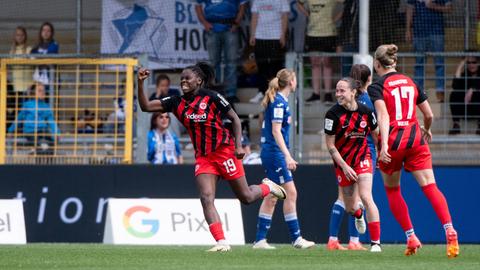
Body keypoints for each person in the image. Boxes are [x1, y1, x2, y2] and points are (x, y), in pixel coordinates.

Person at [137, 62, 287, 252]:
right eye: (181, 78)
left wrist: (239, 145)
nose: (183, 81)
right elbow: (145, 106)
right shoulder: (176, 102)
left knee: (247, 197)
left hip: (224, 152)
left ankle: (268, 187)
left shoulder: (212, 97)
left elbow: (234, 119)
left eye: (187, 78)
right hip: (204, 158)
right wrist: (140, 83)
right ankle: (221, 242)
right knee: (206, 198)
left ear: (198, 80)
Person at [368, 44, 459, 257]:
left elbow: (383, 116)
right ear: (395, 62)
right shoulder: (411, 81)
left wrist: (383, 146)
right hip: (416, 139)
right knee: (430, 187)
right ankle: (450, 230)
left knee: (392, 190)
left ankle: (411, 236)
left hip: (392, 142)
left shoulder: (377, 86)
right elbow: (429, 115)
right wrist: (426, 130)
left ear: (376, 64)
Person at [253, 69, 315, 249]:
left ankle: (259, 240)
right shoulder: (280, 103)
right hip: (275, 154)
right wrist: (287, 155)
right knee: (290, 193)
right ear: (291, 82)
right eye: (295, 79)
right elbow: (275, 130)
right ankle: (296, 238)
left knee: (273, 195)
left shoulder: (280, 101)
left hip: (271, 152)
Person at [324, 77, 382, 252]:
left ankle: (376, 243)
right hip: (343, 163)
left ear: (353, 92)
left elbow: (376, 133)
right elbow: (330, 145)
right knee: (350, 206)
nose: (338, 94)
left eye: (342, 90)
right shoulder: (332, 114)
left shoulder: (366, 111)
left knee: (366, 196)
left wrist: (379, 152)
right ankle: (358, 215)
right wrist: (344, 166)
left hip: (363, 157)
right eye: (337, 91)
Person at [195, 0, 246, 104]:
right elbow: (197, 5)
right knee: (213, 63)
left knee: (231, 62)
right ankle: (215, 92)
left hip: (230, 27)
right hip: (213, 28)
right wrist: (204, 23)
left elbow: (242, 4)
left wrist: (237, 22)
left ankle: (231, 94)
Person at [406, 0, 452, 102]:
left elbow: (449, 8)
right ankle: (419, 91)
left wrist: (433, 6)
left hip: (437, 32)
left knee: (439, 62)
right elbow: (409, 9)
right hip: (419, 32)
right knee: (419, 63)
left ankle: (440, 90)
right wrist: (408, 29)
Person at [297, 0, 343, 103]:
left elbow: (346, 4)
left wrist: (335, 19)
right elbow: (298, 3)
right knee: (315, 64)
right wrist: (307, 14)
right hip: (312, 33)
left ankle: (328, 94)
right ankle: (316, 94)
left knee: (327, 63)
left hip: (329, 33)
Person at [249, 0, 290, 103]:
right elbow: (254, 16)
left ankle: (277, 93)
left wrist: (283, 35)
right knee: (261, 66)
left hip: (276, 36)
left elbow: (285, 17)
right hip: (260, 36)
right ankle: (262, 92)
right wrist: (253, 35)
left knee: (276, 66)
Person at [8, 81, 60, 154]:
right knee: (42, 145)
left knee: (51, 144)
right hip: (30, 131)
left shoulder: (46, 106)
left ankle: (44, 159)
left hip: (42, 131)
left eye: (43, 90)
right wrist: (10, 130)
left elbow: (51, 121)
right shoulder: (27, 105)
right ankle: (36, 154)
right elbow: (19, 119)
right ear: (33, 93)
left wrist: (57, 133)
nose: (42, 92)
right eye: (39, 90)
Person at [449, 55, 480, 135]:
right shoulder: (465, 74)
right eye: (468, 62)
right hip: (465, 106)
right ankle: (456, 125)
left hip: (477, 107)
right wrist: (461, 64)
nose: (471, 65)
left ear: (478, 63)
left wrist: (473, 89)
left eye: (474, 62)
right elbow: (455, 86)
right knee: (454, 94)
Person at [31, 22, 59, 97]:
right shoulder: (36, 46)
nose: (46, 32)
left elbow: (50, 56)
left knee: (49, 103)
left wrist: (38, 59)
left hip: (49, 80)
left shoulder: (54, 44)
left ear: (51, 33)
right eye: (44, 30)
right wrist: (43, 59)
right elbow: (32, 57)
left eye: (48, 31)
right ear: (40, 32)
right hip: (37, 79)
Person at [9, 26, 33, 94]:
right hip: (16, 87)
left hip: (28, 88)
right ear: (14, 37)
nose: (20, 37)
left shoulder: (29, 50)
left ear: (25, 36)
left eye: (22, 35)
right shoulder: (12, 52)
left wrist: (32, 84)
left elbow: (35, 69)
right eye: (17, 35)